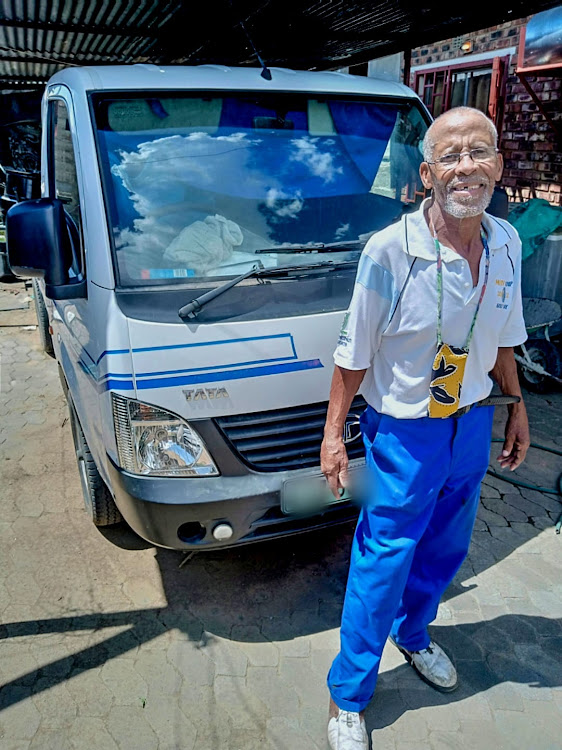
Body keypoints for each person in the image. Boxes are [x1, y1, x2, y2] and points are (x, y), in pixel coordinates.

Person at [320, 106, 530, 750]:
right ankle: (348, 695)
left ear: (498, 163)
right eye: (451, 155)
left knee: (445, 547)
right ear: (427, 173)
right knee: (385, 556)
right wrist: (333, 436)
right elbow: (353, 353)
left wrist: (517, 403)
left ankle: (414, 636)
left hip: (469, 423)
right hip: (404, 431)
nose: (466, 166)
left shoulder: (507, 242)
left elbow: (503, 336)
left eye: (480, 151)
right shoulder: (389, 250)